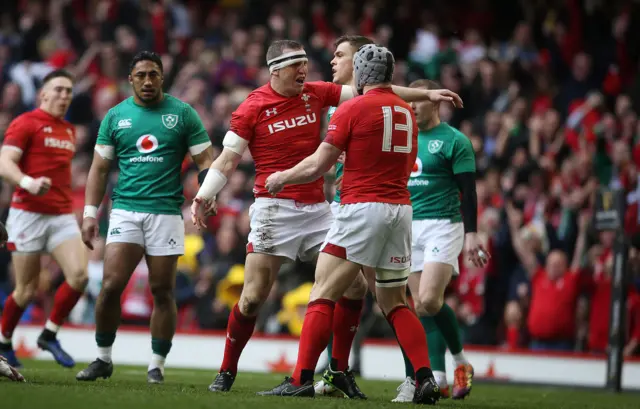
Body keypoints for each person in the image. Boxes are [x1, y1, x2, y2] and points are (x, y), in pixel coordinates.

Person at [191, 39, 462, 395]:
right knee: (253, 296)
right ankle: (227, 370)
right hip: (276, 208)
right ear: (276, 70)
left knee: (349, 287)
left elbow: (370, 90)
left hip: (319, 206)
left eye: (306, 63)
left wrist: (425, 95)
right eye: (296, 66)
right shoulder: (252, 107)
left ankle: (332, 371)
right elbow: (226, 160)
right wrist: (204, 195)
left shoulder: (316, 93)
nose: (306, 70)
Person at [256, 44, 441, 404]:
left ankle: (301, 378)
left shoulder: (352, 107)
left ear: (361, 72)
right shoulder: (406, 110)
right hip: (400, 210)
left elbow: (319, 164)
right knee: (394, 301)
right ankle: (424, 377)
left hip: (361, 208)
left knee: (322, 291)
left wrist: (282, 177)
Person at [75, 51, 214, 384]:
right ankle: (103, 358)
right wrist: (90, 213)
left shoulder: (183, 114)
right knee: (109, 287)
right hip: (125, 210)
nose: (148, 81)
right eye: (141, 75)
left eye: (154, 74)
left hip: (166, 213)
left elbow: (206, 159)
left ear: (162, 77)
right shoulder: (115, 117)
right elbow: (99, 168)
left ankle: (157, 364)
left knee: (162, 290)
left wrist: (207, 194)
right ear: (131, 79)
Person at [392, 79, 488, 402]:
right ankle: (438, 376)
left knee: (431, 300)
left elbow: (469, 191)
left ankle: (461, 362)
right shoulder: (404, 139)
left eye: (418, 101)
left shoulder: (454, 141)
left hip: (444, 225)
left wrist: (473, 233)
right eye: (410, 101)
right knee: (420, 306)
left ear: (433, 102)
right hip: (409, 226)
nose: (412, 106)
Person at [0, 69, 88, 369]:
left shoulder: (68, 130)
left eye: (69, 91)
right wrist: (27, 183)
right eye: (59, 90)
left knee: (79, 276)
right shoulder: (25, 122)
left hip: (61, 216)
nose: (65, 96)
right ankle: (4, 342)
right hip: (27, 214)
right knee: (25, 290)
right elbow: (4, 162)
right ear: (43, 94)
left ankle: (49, 334)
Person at [314, 34, 376, 398]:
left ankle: (308, 373)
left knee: (388, 296)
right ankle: (338, 367)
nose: (333, 61)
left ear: (360, 61)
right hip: (344, 203)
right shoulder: (338, 104)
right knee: (358, 289)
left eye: (340, 55)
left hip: (365, 206)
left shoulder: (372, 103)